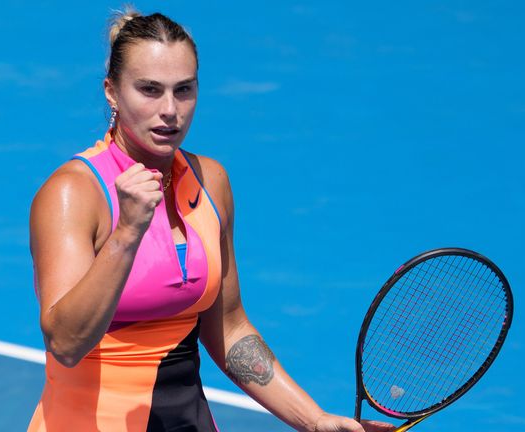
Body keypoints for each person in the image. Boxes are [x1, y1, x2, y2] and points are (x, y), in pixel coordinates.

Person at [26, 7, 395, 432]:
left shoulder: (210, 181)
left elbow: (229, 327)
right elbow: (66, 343)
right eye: (149, 90)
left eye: (184, 90)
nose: (170, 110)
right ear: (111, 91)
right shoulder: (74, 193)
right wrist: (127, 234)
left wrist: (313, 419)